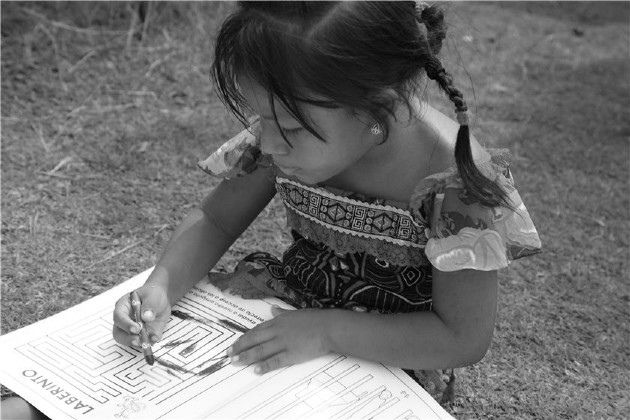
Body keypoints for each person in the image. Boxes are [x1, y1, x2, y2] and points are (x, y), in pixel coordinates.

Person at [2, 2, 541, 418]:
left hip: (387, 361)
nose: (266, 145)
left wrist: (327, 331)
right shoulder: (295, 126)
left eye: (284, 130)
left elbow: (461, 337)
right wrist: (161, 286)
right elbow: (216, 219)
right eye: (261, 120)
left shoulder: (457, 181)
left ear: (375, 114)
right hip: (279, 316)